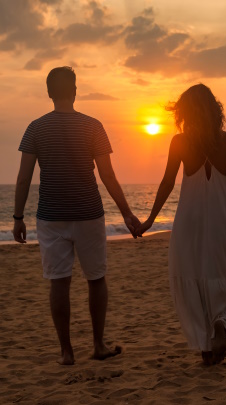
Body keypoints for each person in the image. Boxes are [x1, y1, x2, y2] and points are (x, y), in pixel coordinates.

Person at [13, 66, 141, 365]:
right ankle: (97, 345)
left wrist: (18, 217)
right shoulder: (93, 126)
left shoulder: (36, 127)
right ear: (74, 91)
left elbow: (22, 178)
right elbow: (107, 175)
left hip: (51, 215)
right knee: (96, 279)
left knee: (59, 282)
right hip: (88, 213)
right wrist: (126, 212)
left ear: (49, 93)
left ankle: (66, 352)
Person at [136, 84, 226, 365]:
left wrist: (150, 218)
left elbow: (166, 183)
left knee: (193, 273)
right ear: (215, 110)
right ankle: (220, 325)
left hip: (191, 217)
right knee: (223, 272)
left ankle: (206, 346)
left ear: (185, 112)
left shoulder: (179, 141)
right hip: (225, 216)